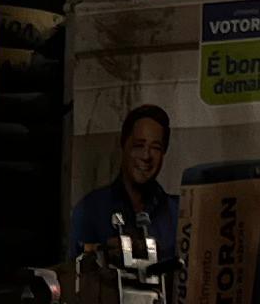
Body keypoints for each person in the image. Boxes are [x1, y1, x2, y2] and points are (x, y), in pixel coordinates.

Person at [68, 102, 182, 265]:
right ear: (123, 144)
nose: (146, 155)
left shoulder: (178, 213)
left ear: (164, 152)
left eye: (156, 147)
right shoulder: (90, 210)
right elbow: (73, 271)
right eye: (138, 145)